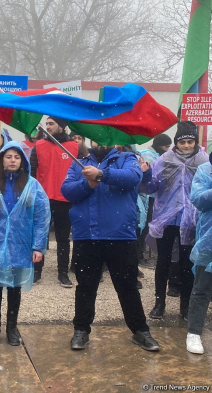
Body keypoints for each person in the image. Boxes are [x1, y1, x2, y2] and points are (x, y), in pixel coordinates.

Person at [62, 140, 159, 351]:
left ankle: (140, 331)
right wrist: (87, 184)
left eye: (106, 139)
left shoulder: (127, 159)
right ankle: (81, 330)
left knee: (127, 287)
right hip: (86, 235)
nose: (101, 143)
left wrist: (101, 175)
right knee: (86, 287)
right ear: (90, 141)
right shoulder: (78, 163)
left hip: (120, 235)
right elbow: (67, 191)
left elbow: (133, 178)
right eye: (96, 138)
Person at [0, 141, 50, 345]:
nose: (13, 160)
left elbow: (41, 218)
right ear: (1, 160)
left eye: (17, 157)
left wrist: (38, 246)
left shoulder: (32, 185)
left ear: (22, 161)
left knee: (15, 287)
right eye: (8, 156)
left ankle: (12, 328)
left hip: (21, 244)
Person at [141, 122, 208, 320]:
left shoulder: (203, 162)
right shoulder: (164, 160)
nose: (187, 146)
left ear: (195, 142)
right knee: (163, 261)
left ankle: (185, 305)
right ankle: (159, 303)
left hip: (192, 220)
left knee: (188, 263)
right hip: (167, 218)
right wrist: (145, 173)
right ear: (176, 143)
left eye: (190, 142)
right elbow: (152, 188)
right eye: (183, 142)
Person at [30, 116, 79, 287]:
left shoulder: (74, 147)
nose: (48, 127)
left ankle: (63, 273)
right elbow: (32, 172)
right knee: (39, 236)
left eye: (51, 124)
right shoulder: (39, 146)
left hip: (65, 199)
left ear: (62, 126)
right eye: (47, 123)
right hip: (43, 198)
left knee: (63, 238)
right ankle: (36, 271)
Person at [186, 153, 212, 354]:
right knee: (202, 288)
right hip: (209, 242)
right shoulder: (205, 170)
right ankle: (194, 333)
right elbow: (198, 199)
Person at [137, 134, 172, 270]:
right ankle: (139, 256)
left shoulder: (158, 155)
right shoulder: (147, 155)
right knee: (143, 227)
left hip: (154, 197)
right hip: (145, 198)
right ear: (159, 145)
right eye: (166, 146)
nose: (167, 149)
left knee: (146, 227)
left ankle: (140, 255)